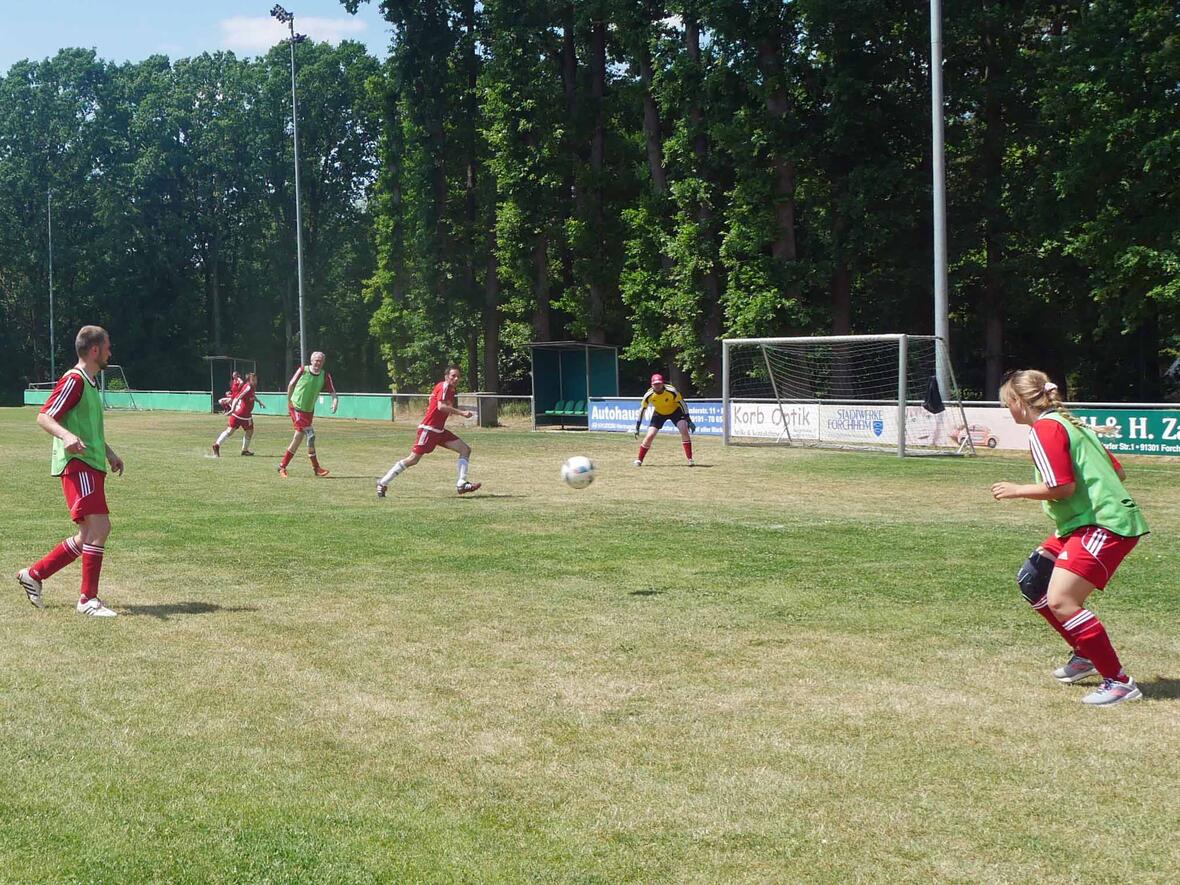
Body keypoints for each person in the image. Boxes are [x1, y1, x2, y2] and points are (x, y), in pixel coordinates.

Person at [991, 369, 1149, 706]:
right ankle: (1084, 653)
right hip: (1084, 523)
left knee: (1062, 600)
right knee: (1033, 580)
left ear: (1019, 402)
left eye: (1008, 403)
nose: (1008, 410)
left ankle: (1119, 682)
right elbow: (1118, 470)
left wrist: (1018, 490)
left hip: (1103, 524)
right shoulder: (1070, 424)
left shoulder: (1046, 429)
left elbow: (1062, 488)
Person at [16, 325, 125, 617]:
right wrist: (65, 437)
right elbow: (44, 416)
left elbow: (88, 429)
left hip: (91, 464)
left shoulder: (88, 382)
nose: (110, 352)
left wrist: (109, 453)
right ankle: (88, 600)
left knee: (88, 534)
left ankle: (34, 575)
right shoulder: (74, 380)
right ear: (94, 350)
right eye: (107, 347)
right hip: (78, 466)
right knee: (100, 528)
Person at [376, 366, 481, 497]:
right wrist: (462, 413)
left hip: (439, 431)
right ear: (446, 376)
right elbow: (441, 406)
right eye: (453, 375)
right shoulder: (444, 386)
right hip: (429, 430)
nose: (456, 378)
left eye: (458, 376)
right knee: (413, 459)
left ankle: (461, 483)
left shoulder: (451, 390)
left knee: (465, 449)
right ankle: (383, 482)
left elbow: (436, 403)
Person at [278, 352, 338, 478]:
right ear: (311, 361)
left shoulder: (325, 375)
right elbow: (291, 384)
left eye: (320, 361)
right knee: (310, 435)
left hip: (308, 410)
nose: (318, 363)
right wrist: (289, 401)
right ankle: (316, 467)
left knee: (298, 438)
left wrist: (335, 401)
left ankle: (282, 466)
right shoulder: (302, 370)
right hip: (296, 407)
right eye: (316, 360)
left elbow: (332, 391)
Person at [633, 373, 695, 466]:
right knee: (650, 435)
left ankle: (690, 459)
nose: (657, 386)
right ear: (651, 385)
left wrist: (688, 420)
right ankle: (639, 460)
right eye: (655, 384)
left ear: (662, 383)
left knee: (684, 429)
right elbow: (642, 410)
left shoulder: (672, 391)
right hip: (659, 413)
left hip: (675, 412)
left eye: (659, 384)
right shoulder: (649, 395)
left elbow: (682, 404)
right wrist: (637, 426)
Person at [213, 371, 266, 457]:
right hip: (244, 414)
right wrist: (232, 410)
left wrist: (259, 402)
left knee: (229, 431)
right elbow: (238, 397)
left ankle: (217, 445)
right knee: (250, 431)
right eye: (254, 379)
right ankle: (244, 450)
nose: (256, 381)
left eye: (256, 379)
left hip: (238, 414)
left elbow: (252, 396)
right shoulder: (248, 387)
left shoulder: (251, 387)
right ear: (249, 380)